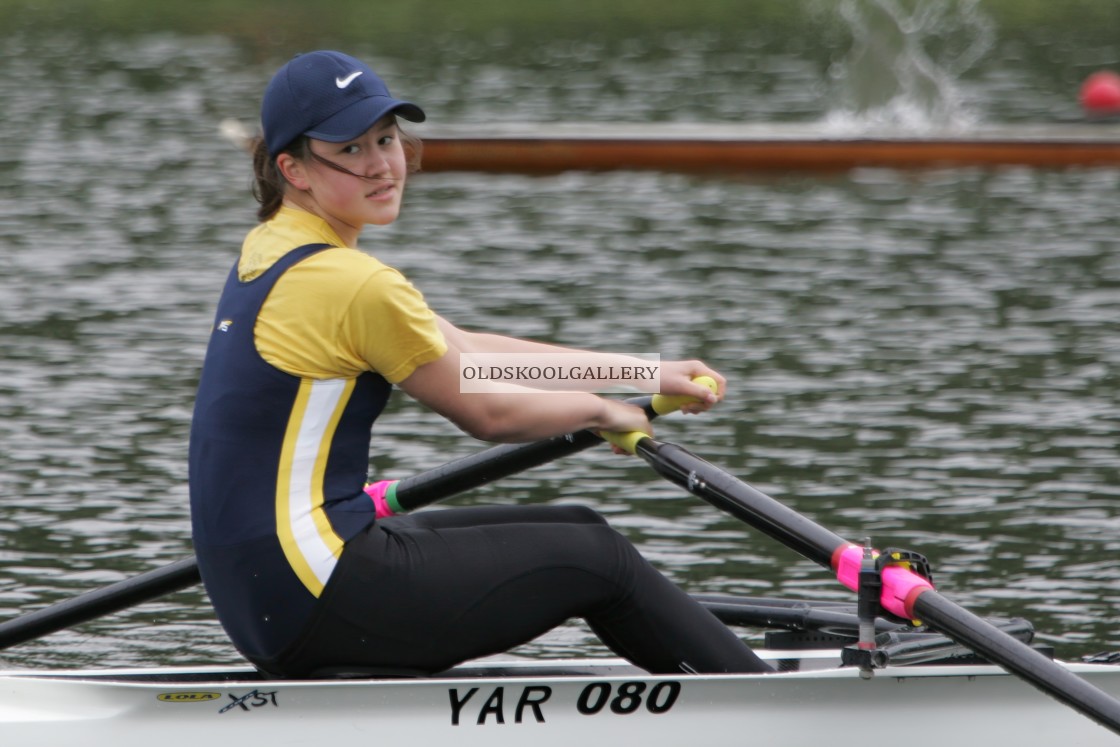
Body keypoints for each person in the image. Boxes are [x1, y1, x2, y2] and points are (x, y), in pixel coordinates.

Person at [188, 50, 773, 678]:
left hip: (265, 591)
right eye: (351, 150)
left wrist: (645, 374)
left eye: (387, 139)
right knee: (598, 558)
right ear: (293, 169)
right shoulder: (354, 284)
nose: (384, 165)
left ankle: (714, 676)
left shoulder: (273, 248)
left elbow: (467, 352)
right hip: (315, 591)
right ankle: (758, 703)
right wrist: (603, 409)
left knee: (577, 525)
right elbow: (487, 409)